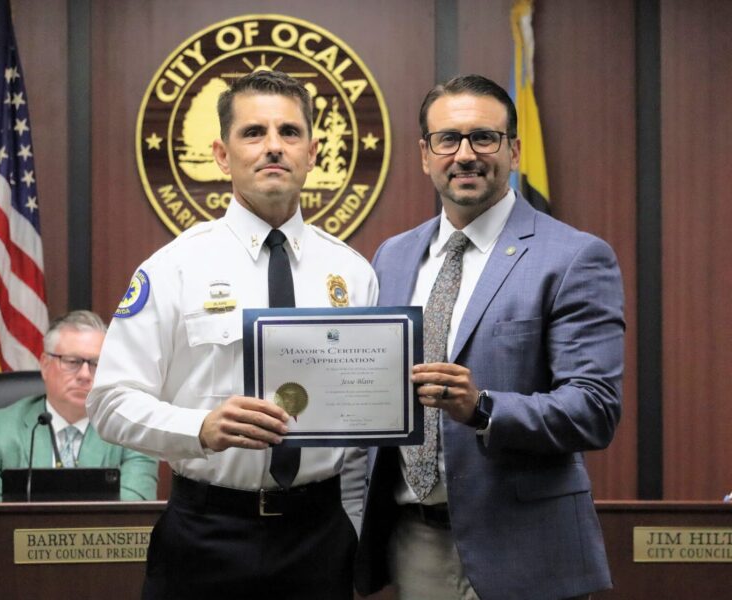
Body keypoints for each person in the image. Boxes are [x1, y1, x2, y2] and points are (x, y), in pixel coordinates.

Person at [87, 70, 378, 599]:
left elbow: (360, 429)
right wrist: (200, 427)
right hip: (206, 535)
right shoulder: (173, 268)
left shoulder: (353, 274)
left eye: (289, 132)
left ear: (312, 152)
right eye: (253, 133)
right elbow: (109, 404)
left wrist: (350, 527)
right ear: (223, 154)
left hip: (319, 538)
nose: (273, 147)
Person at [353, 75, 625, 600]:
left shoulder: (573, 257)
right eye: (447, 139)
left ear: (514, 150)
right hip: (415, 543)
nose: (466, 154)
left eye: (485, 137)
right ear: (425, 155)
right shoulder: (393, 256)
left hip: (527, 549)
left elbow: (595, 407)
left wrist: (482, 408)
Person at [0, 310, 158, 502]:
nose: (85, 375)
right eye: (72, 361)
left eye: (97, 364)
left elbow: (131, 519)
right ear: (44, 365)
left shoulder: (132, 433)